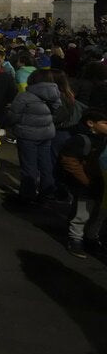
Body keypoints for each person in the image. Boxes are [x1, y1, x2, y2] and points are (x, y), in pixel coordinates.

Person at [59, 108, 107, 258]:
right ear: (91, 123)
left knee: (99, 214)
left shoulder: (103, 140)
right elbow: (70, 161)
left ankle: (91, 238)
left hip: (102, 186)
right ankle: (76, 239)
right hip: (87, 185)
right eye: (105, 123)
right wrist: (86, 181)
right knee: (82, 214)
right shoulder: (80, 140)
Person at [7, 69, 60, 202]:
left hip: (27, 134)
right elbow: (57, 112)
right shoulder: (55, 94)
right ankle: (47, 192)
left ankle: (27, 195)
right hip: (47, 133)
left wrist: (13, 126)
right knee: (46, 164)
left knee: (29, 166)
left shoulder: (25, 96)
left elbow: (13, 115)